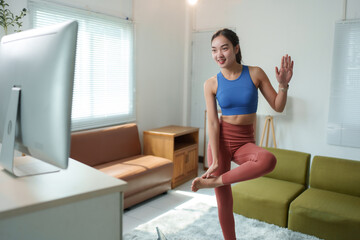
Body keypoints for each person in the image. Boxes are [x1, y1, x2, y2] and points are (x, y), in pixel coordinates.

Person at [191, 28, 294, 240]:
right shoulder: (211, 83)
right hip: (220, 141)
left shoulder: (255, 73)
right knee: (225, 202)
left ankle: (216, 181)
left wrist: (283, 86)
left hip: (244, 142)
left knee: (268, 160)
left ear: (236, 49)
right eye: (214, 50)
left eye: (224, 48)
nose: (219, 54)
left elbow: (278, 106)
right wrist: (215, 160)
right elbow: (212, 121)